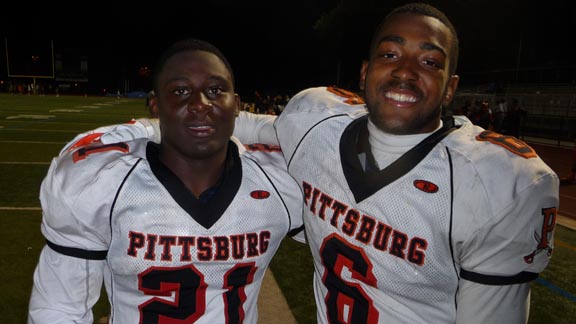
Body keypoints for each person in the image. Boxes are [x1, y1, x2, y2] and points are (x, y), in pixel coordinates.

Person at [60, 3, 560, 323]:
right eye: (391, 54)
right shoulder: (316, 119)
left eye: (430, 62)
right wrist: (149, 127)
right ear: (365, 73)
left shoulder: (498, 180)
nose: (406, 71)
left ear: (451, 87)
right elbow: (250, 124)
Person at [27, 38, 304, 324]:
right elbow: (59, 308)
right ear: (155, 106)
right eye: (180, 91)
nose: (199, 104)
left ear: (236, 104)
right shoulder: (105, 182)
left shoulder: (278, 179)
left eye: (215, 90)